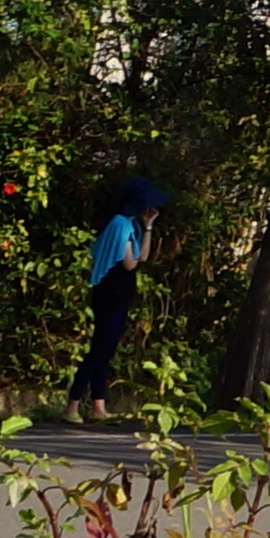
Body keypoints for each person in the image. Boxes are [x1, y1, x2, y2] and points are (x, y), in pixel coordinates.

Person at [68, 180, 160, 424]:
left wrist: (148, 227)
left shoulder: (131, 226)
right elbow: (129, 263)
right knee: (99, 350)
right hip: (110, 294)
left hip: (118, 296)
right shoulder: (121, 225)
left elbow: (143, 256)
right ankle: (73, 405)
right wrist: (134, 242)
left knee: (106, 351)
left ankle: (98, 406)